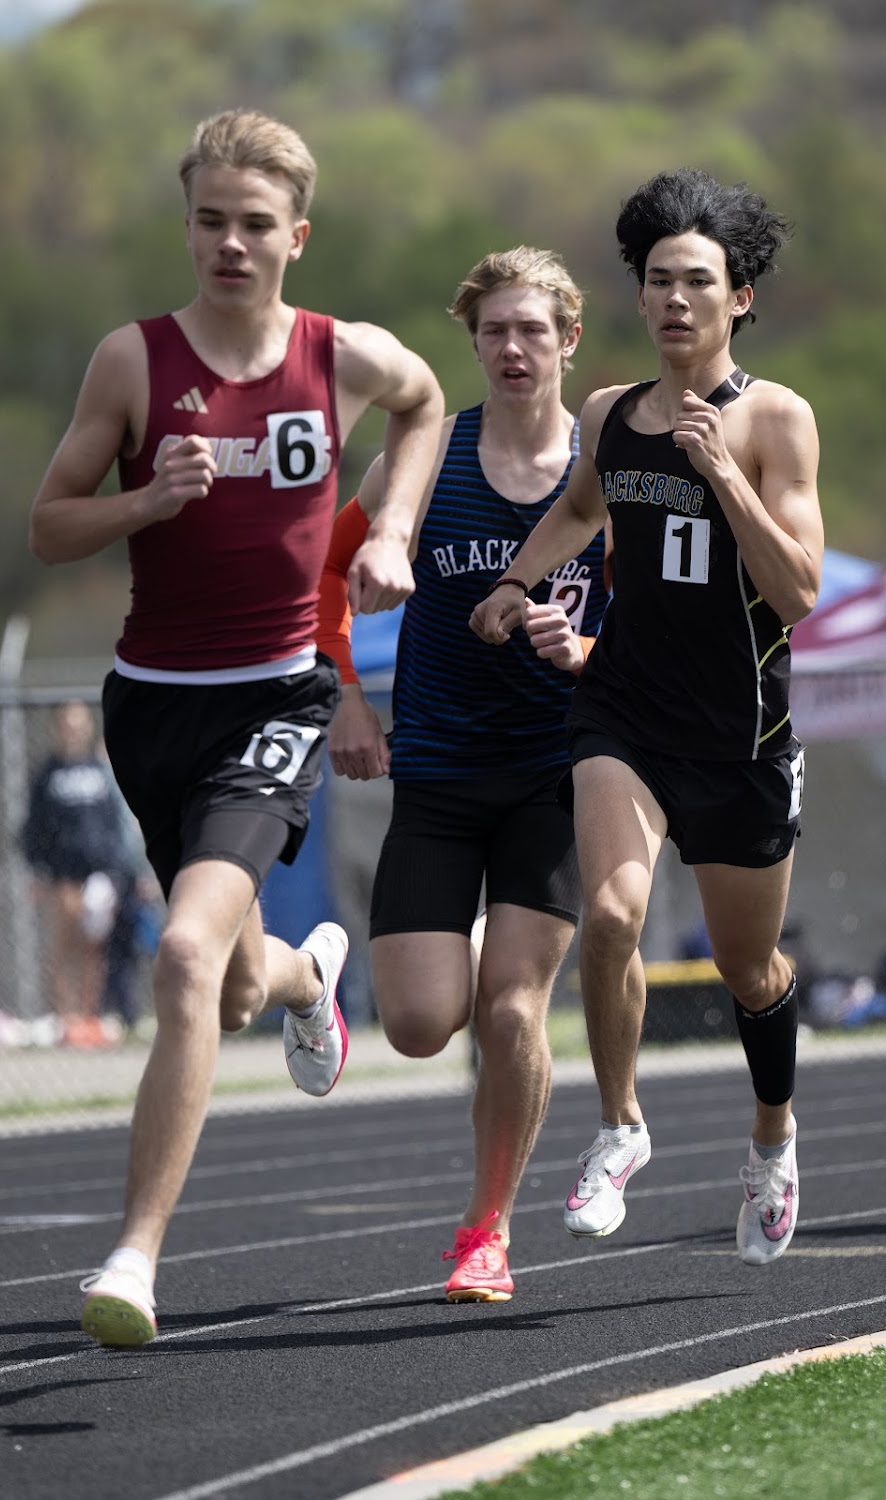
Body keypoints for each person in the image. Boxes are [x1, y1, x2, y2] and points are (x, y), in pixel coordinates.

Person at [28, 108, 444, 1347]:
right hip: (152, 703)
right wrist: (143, 501)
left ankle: (133, 1259)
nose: (229, 244)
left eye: (254, 224)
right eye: (209, 220)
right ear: (188, 226)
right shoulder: (132, 363)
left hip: (277, 695)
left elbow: (426, 403)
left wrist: (393, 529)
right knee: (232, 976)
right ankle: (310, 975)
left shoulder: (342, 356)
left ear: (296, 237)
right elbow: (48, 524)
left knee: (181, 956)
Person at [471, 169, 823, 1267]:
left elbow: (799, 591)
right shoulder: (608, 415)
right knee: (613, 916)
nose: (675, 299)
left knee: (748, 970)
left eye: (698, 282)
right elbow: (582, 506)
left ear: (739, 299)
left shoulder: (775, 418)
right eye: (659, 280)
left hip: (740, 739)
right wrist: (519, 583)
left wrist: (723, 474)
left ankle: (772, 1137)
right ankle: (621, 1125)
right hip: (622, 710)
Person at [318, 247, 611, 1301]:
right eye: (494, 331)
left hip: (554, 775)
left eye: (533, 330)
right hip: (438, 772)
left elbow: (657, 638)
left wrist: (583, 652)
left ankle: (487, 1231)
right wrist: (347, 696)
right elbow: (323, 573)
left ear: (569, 339)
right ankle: (445, 953)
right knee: (415, 1026)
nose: (513, 348)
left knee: (513, 1014)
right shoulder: (424, 459)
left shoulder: (606, 473)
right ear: (473, 341)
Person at [20, 699, 136, 1048]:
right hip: (62, 872)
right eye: (67, 724)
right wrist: (39, 869)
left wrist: (120, 868)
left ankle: (89, 1017)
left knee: (93, 946)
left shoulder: (100, 771)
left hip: (99, 872)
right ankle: (65, 1017)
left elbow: (116, 823)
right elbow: (34, 826)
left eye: (79, 723)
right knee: (64, 941)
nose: (73, 730)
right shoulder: (48, 773)